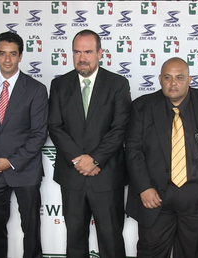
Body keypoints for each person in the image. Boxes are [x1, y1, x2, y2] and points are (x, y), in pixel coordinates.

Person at [125, 57, 198, 258]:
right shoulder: (142, 106)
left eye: (179, 77)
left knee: (195, 253)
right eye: (168, 77)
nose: (173, 83)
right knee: (150, 253)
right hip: (155, 197)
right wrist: (144, 187)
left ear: (189, 79)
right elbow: (133, 150)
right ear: (160, 79)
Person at [48, 29, 131, 258]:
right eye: (77, 52)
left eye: (87, 51)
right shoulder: (59, 85)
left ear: (100, 53)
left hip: (106, 176)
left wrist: (94, 159)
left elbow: (119, 128)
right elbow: (55, 126)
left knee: (112, 240)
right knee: (74, 241)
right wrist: (78, 159)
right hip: (72, 177)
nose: (81, 57)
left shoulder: (118, 84)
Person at [0, 31, 48, 258]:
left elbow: (38, 134)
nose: (7, 59)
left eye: (13, 54)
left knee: (31, 229)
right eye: (3, 54)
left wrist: (11, 162)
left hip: (24, 171)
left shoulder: (36, 89)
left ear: (20, 56)